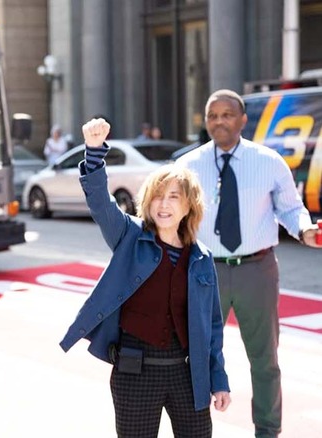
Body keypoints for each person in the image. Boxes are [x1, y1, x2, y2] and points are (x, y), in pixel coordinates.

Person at [60, 118, 231, 438]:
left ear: (189, 205)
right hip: (134, 370)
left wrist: (218, 380)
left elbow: (213, 328)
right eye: (157, 196)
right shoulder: (129, 236)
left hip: (186, 373)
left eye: (173, 197)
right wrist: (94, 151)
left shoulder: (201, 258)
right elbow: (100, 203)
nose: (163, 204)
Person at [175, 89, 322, 438]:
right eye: (213, 115)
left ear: (243, 120)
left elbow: (290, 209)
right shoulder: (187, 166)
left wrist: (304, 230)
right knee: (195, 354)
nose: (219, 121)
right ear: (206, 122)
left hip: (257, 269)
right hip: (203, 271)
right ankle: (194, 427)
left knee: (265, 359)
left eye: (227, 115)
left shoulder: (269, 162)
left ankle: (267, 430)